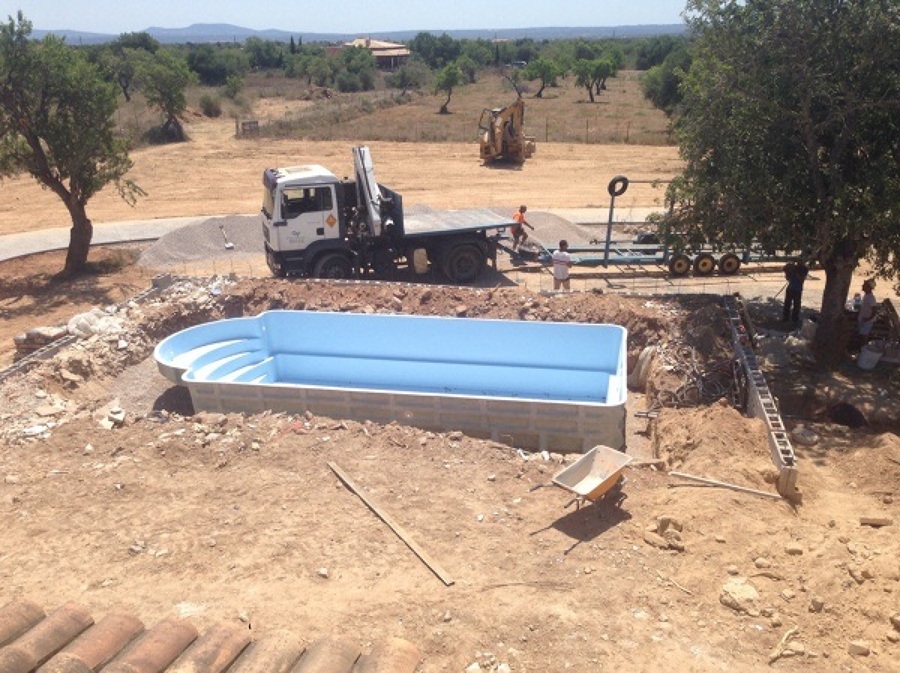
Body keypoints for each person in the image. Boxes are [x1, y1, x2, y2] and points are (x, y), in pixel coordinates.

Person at [781, 259, 809, 324]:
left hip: (798, 289)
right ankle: (785, 318)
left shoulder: (804, 269)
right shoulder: (794, 267)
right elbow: (787, 277)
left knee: (796, 305)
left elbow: (801, 279)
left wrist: (795, 272)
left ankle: (795, 318)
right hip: (790, 288)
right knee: (787, 304)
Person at [857, 279, 878, 344]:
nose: (862, 286)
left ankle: (863, 350)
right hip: (863, 319)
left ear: (869, 287)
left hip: (867, 321)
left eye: (864, 285)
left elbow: (874, 310)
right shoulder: (866, 296)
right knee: (861, 335)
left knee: (864, 336)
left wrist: (868, 319)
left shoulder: (871, 297)